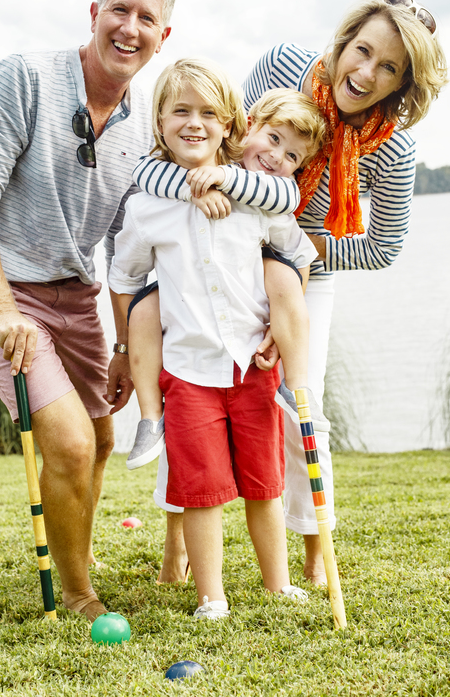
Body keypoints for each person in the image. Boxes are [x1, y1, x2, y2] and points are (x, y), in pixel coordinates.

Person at [139, 0, 448, 585]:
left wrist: (295, 252)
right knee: (190, 391)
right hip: (219, 254)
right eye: (363, 51)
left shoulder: (395, 148)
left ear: (404, 84)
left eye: (388, 68)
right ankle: (177, 542)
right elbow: (221, 145)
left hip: (306, 274)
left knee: (302, 405)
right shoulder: (282, 65)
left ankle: (313, 549)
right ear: (344, 40)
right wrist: (221, 216)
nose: (366, 73)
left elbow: (383, 247)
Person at [0, 0, 174, 620]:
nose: (129, 28)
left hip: (77, 296)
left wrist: (126, 348)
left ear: (163, 37)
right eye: (119, 10)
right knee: (70, 444)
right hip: (1, 291)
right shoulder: (24, 78)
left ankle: (79, 551)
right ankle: (77, 594)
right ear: (95, 13)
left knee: (100, 441)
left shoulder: (146, 125)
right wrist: (2, 311)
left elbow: (124, 248)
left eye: (146, 19)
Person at [108, 58, 317, 617]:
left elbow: (298, 251)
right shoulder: (148, 206)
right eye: (180, 111)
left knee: (264, 483)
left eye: (208, 113)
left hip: (252, 368)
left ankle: (278, 583)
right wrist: (129, 342)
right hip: (188, 373)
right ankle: (211, 596)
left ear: (229, 125)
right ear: (160, 122)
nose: (194, 123)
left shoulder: (256, 198)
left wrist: (279, 323)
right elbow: (124, 276)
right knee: (200, 491)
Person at [125, 88, 330, 476]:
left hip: (252, 284)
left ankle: (297, 387)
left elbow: (290, 209)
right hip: (194, 292)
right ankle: (150, 418)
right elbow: (144, 171)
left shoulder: (273, 189)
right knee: (144, 309)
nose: (277, 157)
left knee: (284, 276)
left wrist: (280, 324)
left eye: (292, 157)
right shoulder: (211, 153)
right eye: (273, 139)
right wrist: (195, 189)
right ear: (248, 127)